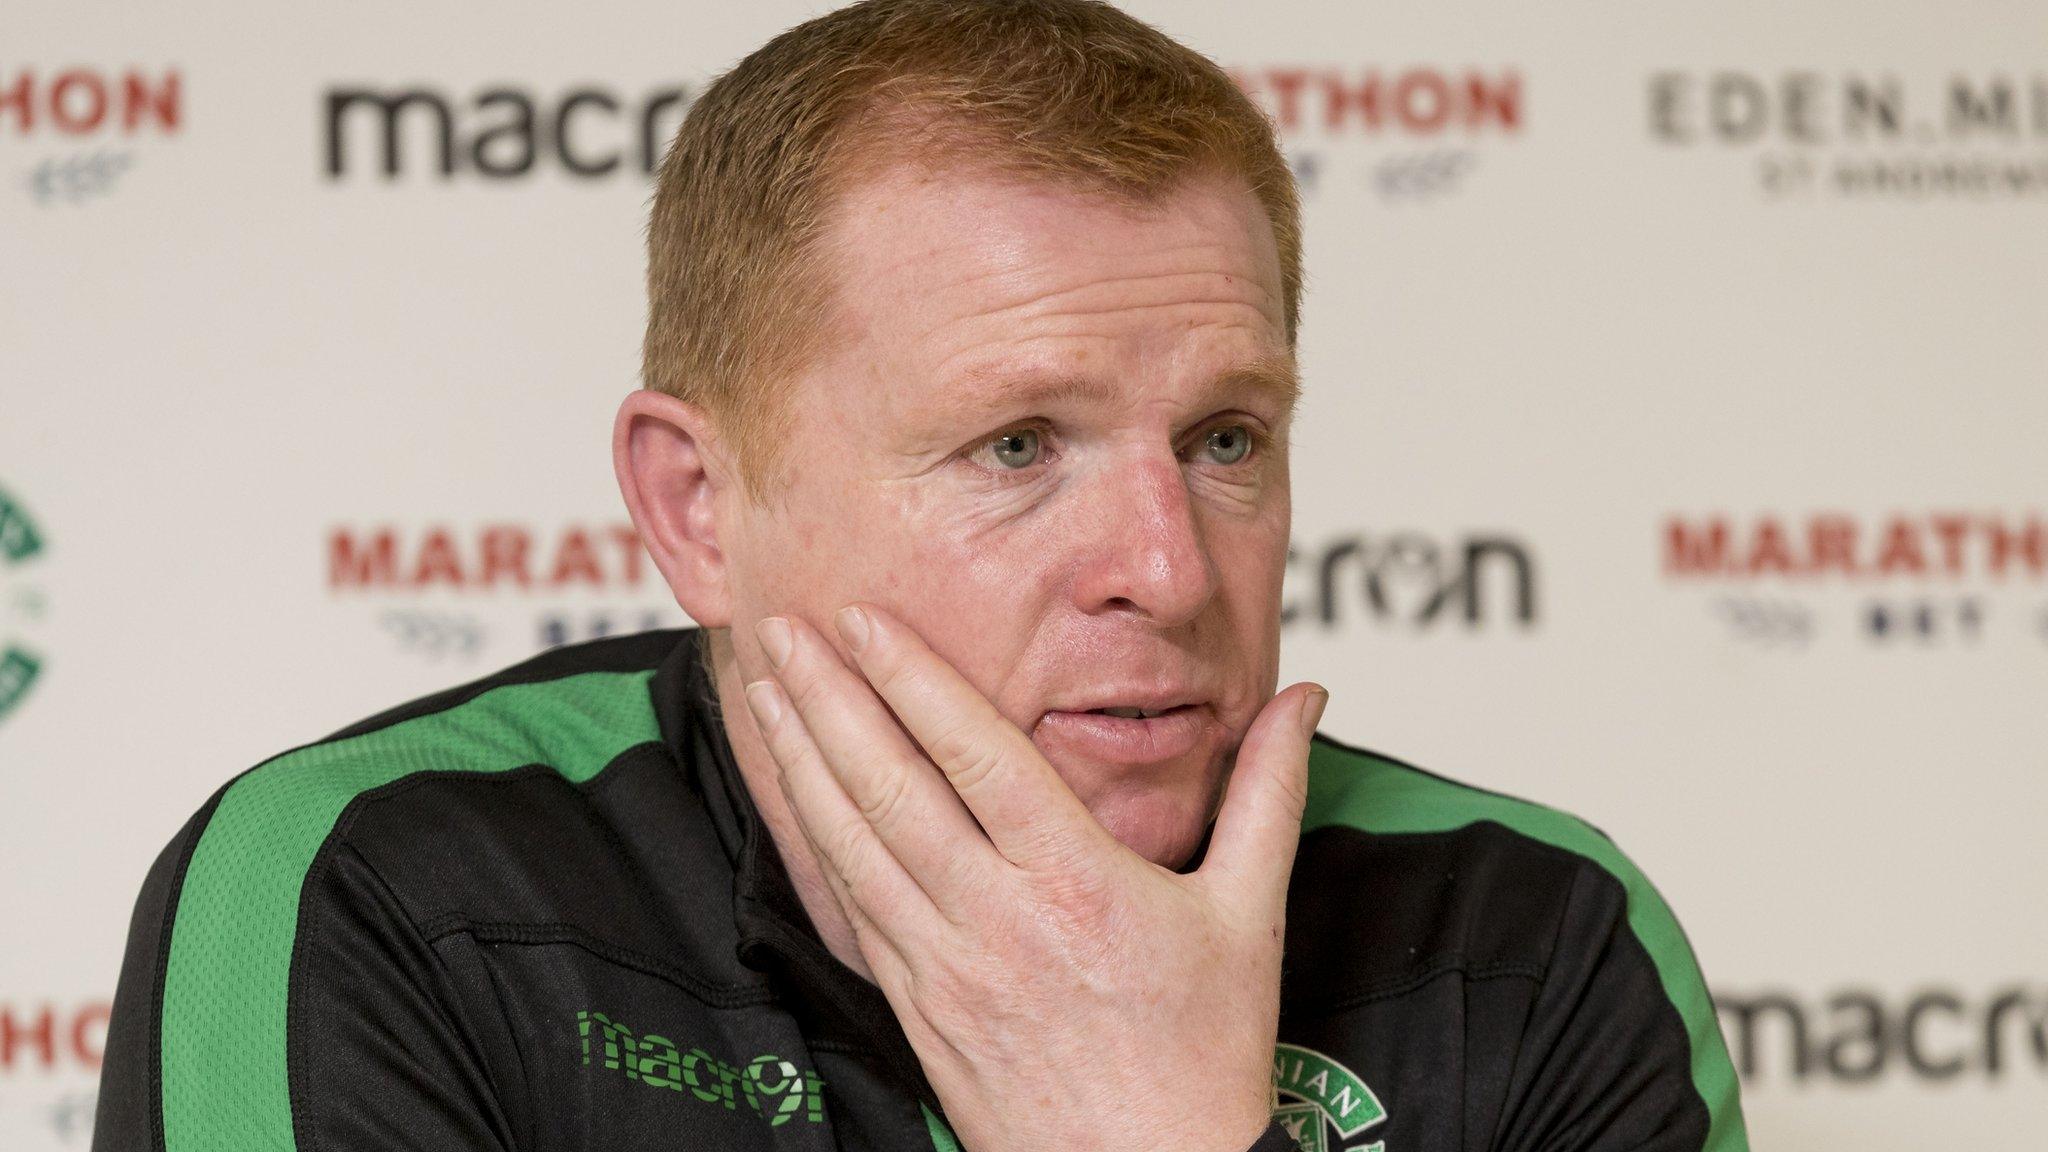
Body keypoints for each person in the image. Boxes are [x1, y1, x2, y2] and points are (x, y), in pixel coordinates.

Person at [94, 2, 1748, 1150]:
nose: (1168, 570)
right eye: (1020, 447)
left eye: (1228, 439)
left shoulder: (1532, 940)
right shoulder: (382, 887)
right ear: (699, 509)